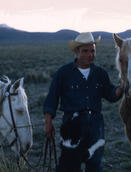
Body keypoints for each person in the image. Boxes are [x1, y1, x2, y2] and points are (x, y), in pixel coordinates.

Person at [43, 32, 124, 172]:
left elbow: (111, 95)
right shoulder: (64, 73)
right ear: (76, 51)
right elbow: (52, 99)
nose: (90, 54)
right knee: (69, 165)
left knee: (95, 164)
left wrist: (123, 86)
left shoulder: (100, 73)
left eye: (93, 51)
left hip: (95, 124)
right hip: (71, 126)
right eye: (85, 51)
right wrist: (48, 123)